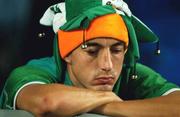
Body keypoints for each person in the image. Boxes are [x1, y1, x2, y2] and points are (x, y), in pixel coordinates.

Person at [1, 0, 180, 116]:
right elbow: (47, 102)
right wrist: (110, 99)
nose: (107, 65)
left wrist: (108, 107)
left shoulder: (130, 71)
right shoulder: (33, 71)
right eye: (92, 51)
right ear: (67, 53)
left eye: (116, 50)